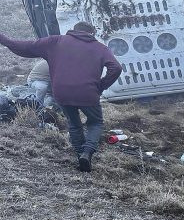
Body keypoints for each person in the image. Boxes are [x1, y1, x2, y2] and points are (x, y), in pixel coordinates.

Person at [0, 21, 122, 172]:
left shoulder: (55, 41)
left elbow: (25, 47)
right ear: (92, 33)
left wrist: (3, 39)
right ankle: (87, 152)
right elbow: (116, 67)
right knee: (95, 122)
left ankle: (80, 156)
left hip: (61, 91)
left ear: (73, 31)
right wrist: (101, 86)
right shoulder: (100, 48)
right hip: (88, 93)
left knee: (74, 123)